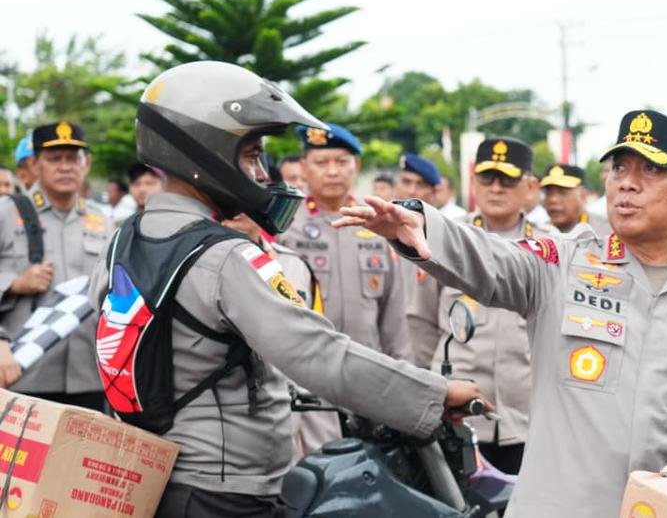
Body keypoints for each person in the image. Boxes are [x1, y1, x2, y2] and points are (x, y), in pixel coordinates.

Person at [90, 61, 485, 517]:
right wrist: (435, 394)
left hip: (156, 479)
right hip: (228, 492)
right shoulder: (227, 257)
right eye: (251, 154)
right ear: (208, 151)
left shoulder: (122, 240)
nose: (261, 174)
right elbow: (319, 353)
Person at [338, 110, 667, 518]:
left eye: (652, 170)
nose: (627, 182)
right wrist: (425, 227)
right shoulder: (561, 264)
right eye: (619, 167)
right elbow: (489, 256)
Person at [406, 137, 547, 475]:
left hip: (528, 419)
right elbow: (421, 323)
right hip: (458, 415)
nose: (496, 188)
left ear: (530, 186)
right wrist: (439, 382)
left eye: (508, 180)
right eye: (487, 178)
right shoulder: (444, 238)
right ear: (473, 182)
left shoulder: (551, 247)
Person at [276, 123, 417, 360]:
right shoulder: (284, 224)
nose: (332, 172)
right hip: (306, 371)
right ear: (304, 167)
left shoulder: (377, 221)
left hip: (368, 368)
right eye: (321, 163)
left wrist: (405, 370)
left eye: (342, 162)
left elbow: (395, 317)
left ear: (356, 166)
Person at [0, 122, 113, 410]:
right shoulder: (6, 212)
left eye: (73, 158)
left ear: (86, 164)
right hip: (21, 374)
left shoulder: (102, 220)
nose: (65, 167)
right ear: (35, 165)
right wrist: (12, 283)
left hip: (90, 376)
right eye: (54, 159)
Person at [220, 211, 342, 460]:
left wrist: (326, 445)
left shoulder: (295, 265)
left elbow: (316, 350)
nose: (239, 209)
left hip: (296, 416)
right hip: (232, 426)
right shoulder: (200, 264)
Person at [539, 163, 610, 235]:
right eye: (549, 193)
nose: (553, 199)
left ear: (583, 195)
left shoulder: (606, 230)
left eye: (562, 192)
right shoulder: (538, 234)